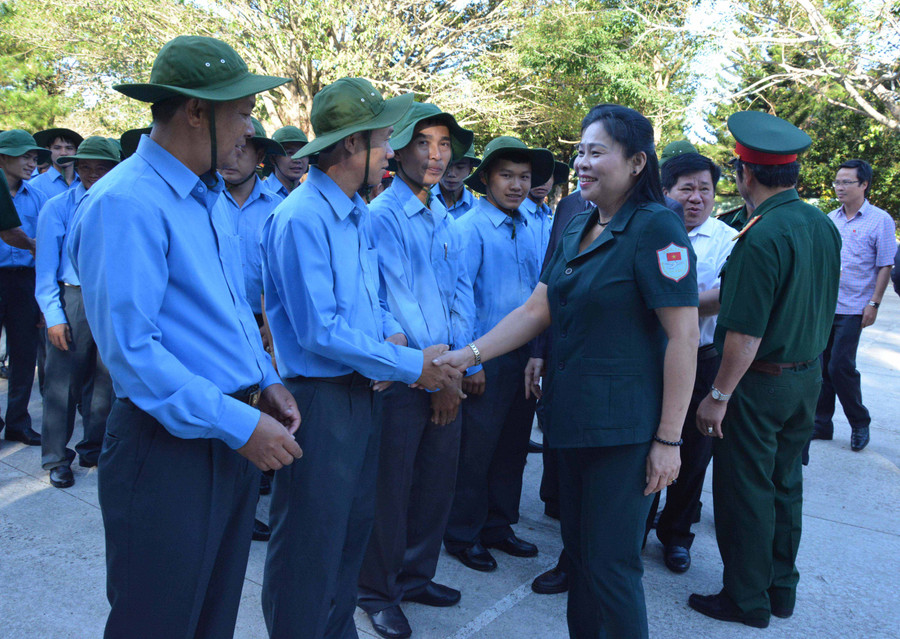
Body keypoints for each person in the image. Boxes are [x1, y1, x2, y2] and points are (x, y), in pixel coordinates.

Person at [68, 36, 303, 638]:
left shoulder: (209, 197)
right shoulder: (125, 203)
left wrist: (266, 381)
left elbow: (229, 310)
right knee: (157, 620)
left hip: (227, 433)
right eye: (244, 112)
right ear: (197, 110)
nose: (249, 129)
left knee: (211, 618)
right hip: (166, 447)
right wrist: (239, 421)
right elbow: (132, 354)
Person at [435, 104, 698, 638]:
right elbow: (537, 310)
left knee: (612, 566)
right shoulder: (581, 224)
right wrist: (470, 354)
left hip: (622, 432)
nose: (582, 161)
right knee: (580, 560)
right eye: (580, 151)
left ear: (637, 163)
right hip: (572, 422)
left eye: (596, 152)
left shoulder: (657, 228)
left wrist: (669, 440)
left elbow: (684, 335)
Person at [259, 77, 462, 639]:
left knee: (350, 531)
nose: (393, 150)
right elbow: (319, 329)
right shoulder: (303, 217)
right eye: (384, 137)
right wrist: (408, 364)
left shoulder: (351, 212)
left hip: (360, 393)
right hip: (318, 401)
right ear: (351, 145)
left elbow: (367, 304)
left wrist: (389, 341)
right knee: (309, 541)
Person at [692, 111, 841, 628]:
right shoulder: (820, 224)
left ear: (745, 175)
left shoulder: (759, 236)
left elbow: (746, 334)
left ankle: (745, 599)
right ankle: (780, 589)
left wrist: (719, 394)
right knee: (783, 486)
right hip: (805, 379)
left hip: (759, 383)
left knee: (744, 491)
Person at [357, 101, 476, 639]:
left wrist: (461, 359)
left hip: (447, 367)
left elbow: (460, 292)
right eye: (423, 142)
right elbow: (395, 304)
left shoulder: (444, 213)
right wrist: (434, 372)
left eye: (444, 144)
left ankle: (415, 574)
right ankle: (377, 591)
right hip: (408, 375)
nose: (435, 154)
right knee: (392, 487)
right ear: (397, 150)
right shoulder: (381, 216)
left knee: (435, 482)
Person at [443, 136, 554, 573]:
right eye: (506, 175)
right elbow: (460, 297)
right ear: (486, 177)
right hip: (484, 354)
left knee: (511, 446)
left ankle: (498, 524)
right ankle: (462, 532)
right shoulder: (468, 228)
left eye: (524, 177)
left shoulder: (529, 224)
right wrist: (471, 361)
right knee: (477, 450)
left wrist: (537, 352)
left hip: (523, 356)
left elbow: (536, 297)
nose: (517, 185)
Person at [645, 151, 734, 574]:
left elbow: (726, 295)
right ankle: (636, 528)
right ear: (667, 192)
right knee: (646, 445)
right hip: (650, 358)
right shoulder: (653, 230)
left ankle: (676, 536)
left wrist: (669, 302)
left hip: (703, 359)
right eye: (687, 188)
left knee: (694, 453)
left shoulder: (728, 240)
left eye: (705, 189)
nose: (696, 198)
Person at [35, 136, 119, 488]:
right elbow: (45, 270)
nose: (93, 174)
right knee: (62, 383)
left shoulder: (121, 205)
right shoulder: (57, 207)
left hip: (112, 298)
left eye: (103, 168)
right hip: (74, 299)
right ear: (76, 167)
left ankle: (94, 448)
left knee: (105, 382)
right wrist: (54, 316)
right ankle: (56, 457)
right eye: (86, 167)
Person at [812, 159, 896, 452]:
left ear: (864, 185)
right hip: (826, 306)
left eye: (847, 182)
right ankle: (821, 424)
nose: (839, 187)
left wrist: (874, 303)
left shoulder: (880, 219)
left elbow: (885, 264)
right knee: (821, 366)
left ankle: (859, 422)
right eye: (837, 181)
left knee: (840, 366)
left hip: (854, 306)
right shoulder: (830, 219)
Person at [0, 129, 49, 446]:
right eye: (24, 156)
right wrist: (31, 244)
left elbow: (49, 249)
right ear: (3, 157)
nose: (31, 163)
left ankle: (18, 422)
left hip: (24, 282)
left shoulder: (39, 198)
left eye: (34, 157)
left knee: (23, 354)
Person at [30, 128, 83, 198]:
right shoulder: (36, 185)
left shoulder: (85, 182)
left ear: (76, 151)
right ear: (48, 150)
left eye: (69, 148)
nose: (63, 153)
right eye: (57, 148)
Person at [432, 143, 479, 218]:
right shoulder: (419, 200)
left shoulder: (477, 210)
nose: (452, 174)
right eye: (446, 166)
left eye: (460, 167)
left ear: (470, 169)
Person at [263, 125, 309, 199]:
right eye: (290, 153)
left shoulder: (309, 196)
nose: (297, 160)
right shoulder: (261, 194)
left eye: (303, 153)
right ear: (272, 159)